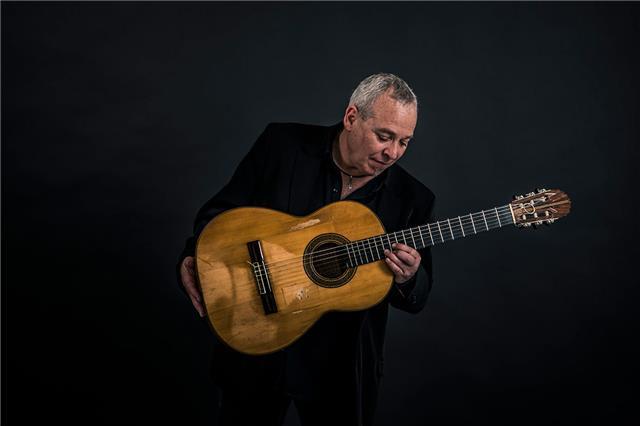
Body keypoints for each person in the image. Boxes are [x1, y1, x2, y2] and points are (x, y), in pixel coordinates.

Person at [177, 73, 436, 426]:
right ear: (351, 117)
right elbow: (219, 215)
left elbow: (418, 295)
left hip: (340, 371)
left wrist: (407, 277)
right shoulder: (281, 145)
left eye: (405, 142)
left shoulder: (412, 199)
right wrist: (193, 257)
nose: (393, 153)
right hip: (256, 345)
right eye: (384, 136)